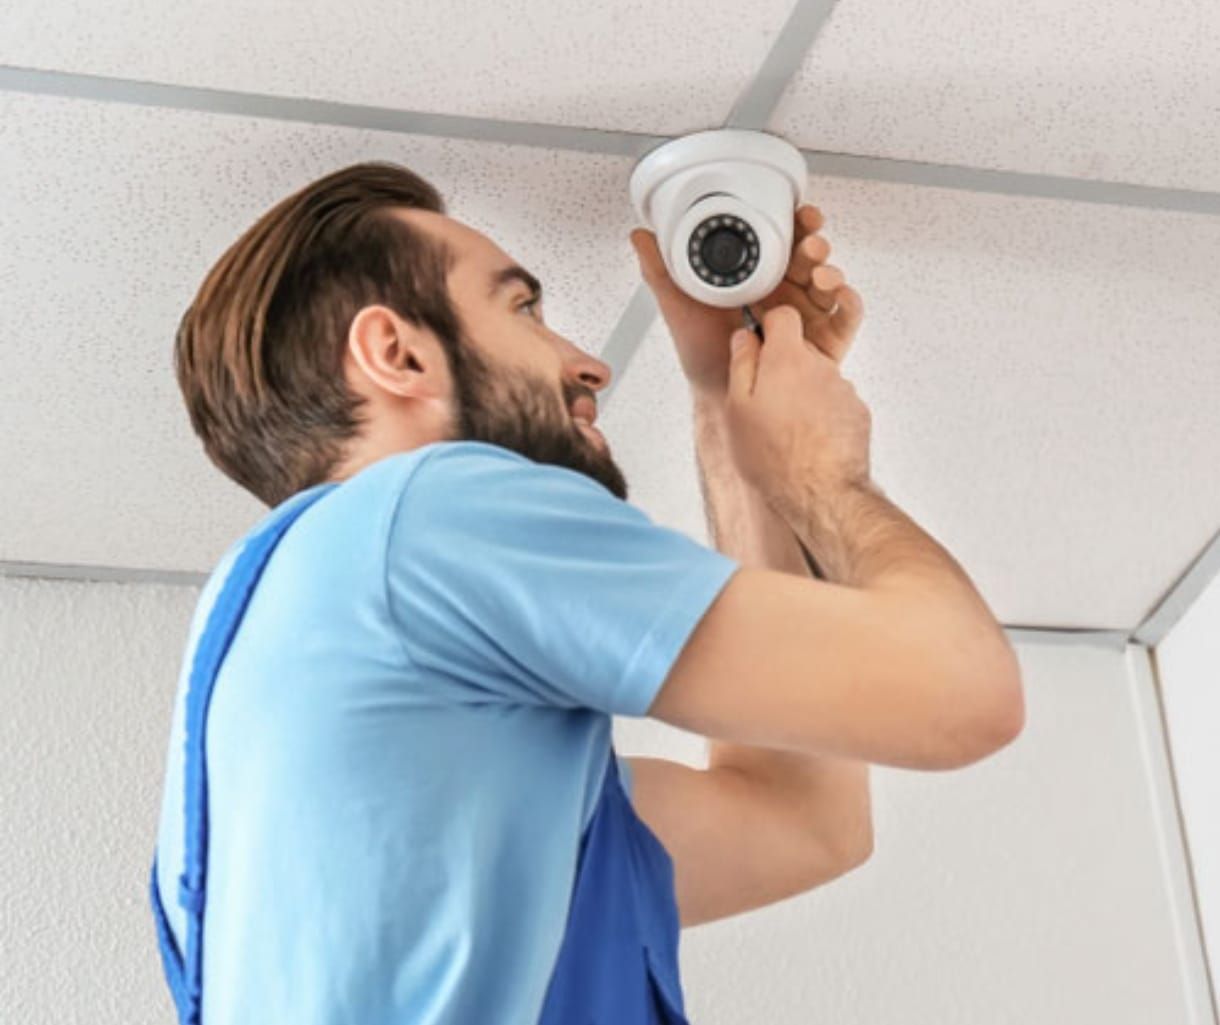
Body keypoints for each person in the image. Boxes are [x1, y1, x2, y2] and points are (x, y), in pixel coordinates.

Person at [149, 161, 1024, 1024]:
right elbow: (960, 691)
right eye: (524, 307)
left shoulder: (287, 713)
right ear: (398, 353)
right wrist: (823, 478)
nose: (590, 365)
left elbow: (800, 818)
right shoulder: (433, 512)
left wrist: (728, 394)